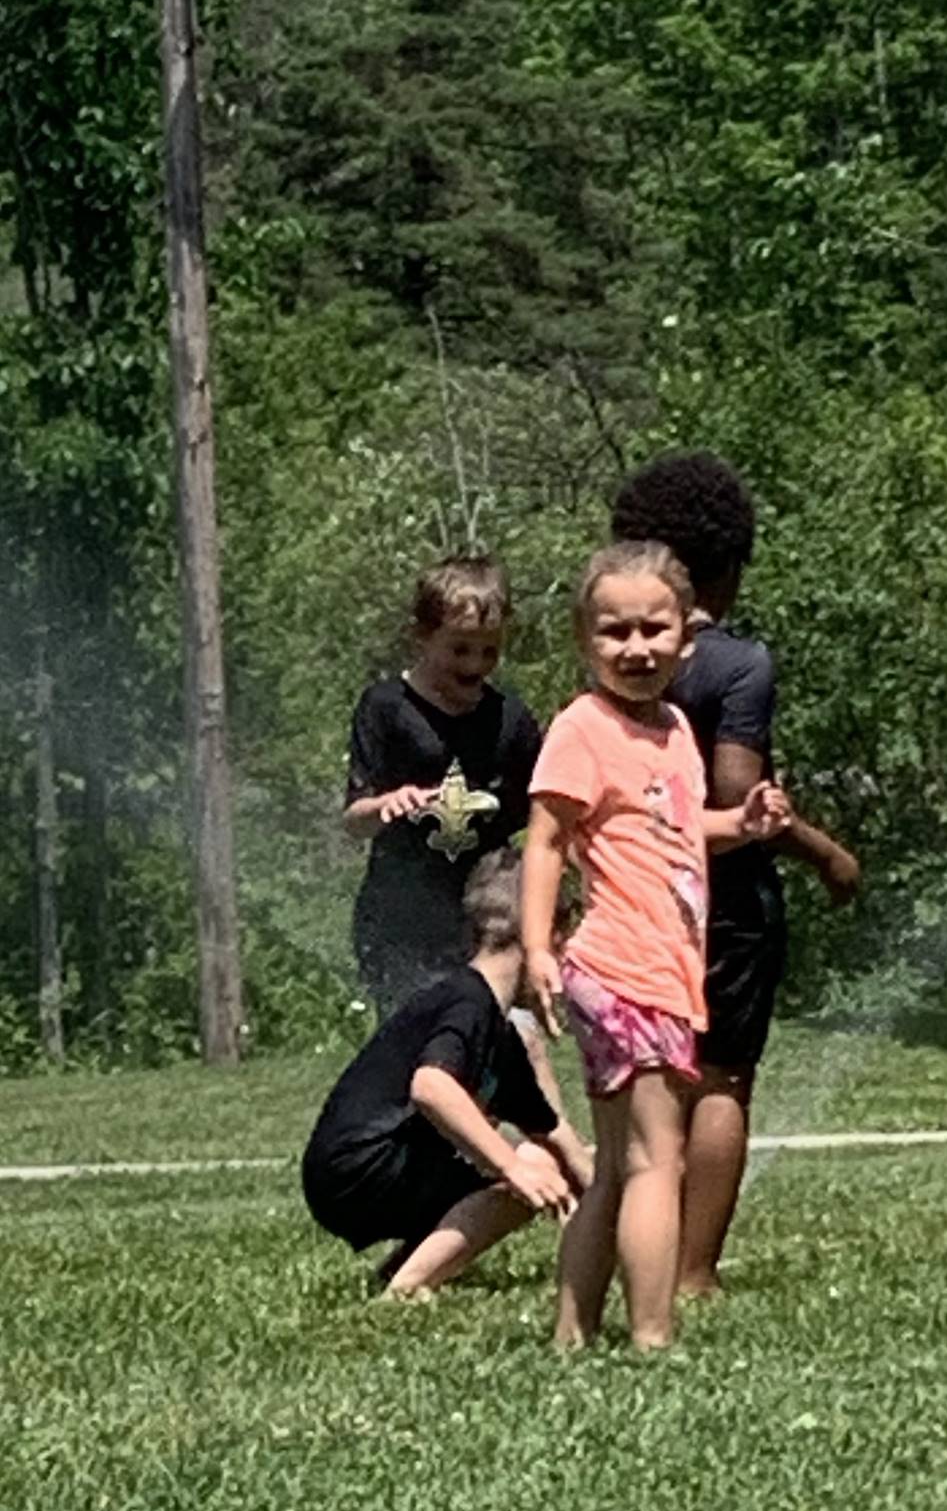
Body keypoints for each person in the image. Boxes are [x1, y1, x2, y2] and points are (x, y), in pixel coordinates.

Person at [523, 541, 789, 1350]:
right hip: (620, 967)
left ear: (686, 636)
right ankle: (653, 1338)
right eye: (614, 632)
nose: (636, 647)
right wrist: (538, 947)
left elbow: (676, 830)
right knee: (655, 1162)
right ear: (583, 640)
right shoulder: (581, 728)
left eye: (653, 629)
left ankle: (573, 1333)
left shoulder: (674, 727)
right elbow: (545, 840)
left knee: (620, 1163)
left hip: (667, 974)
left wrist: (741, 826)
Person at [611, 453, 861, 1295]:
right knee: (722, 1077)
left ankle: (638, 1243)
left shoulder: (617, 658)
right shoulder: (738, 662)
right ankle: (692, 1272)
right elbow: (735, 793)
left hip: (637, 895)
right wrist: (825, 852)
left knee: (655, 1075)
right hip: (726, 904)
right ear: (727, 564)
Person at [341, 553, 578, 1134]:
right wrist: (384, 806)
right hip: (398, 918)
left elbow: (550, 817)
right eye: (460, 649)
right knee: (417, 1048)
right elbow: (354, 815)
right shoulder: (386, 709)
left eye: (489, 650)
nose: (475, 665)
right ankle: (406, 1148)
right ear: (421, 637)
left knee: (507, 1039)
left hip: (485, 921)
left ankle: (539, 1144)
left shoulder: (510, 722)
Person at [302, 850, 590, 1297]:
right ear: (541, 937)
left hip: (355, 1171)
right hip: (358, 1170)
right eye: (565, 946)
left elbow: (557, 1136)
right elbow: (431, 1087)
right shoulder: (467, 1001)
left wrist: (617, 1204)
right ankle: (408, 1288)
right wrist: (512, 1167)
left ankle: (399, 1272)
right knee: (531, 1165)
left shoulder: (501, 1035)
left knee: (542, 1158)